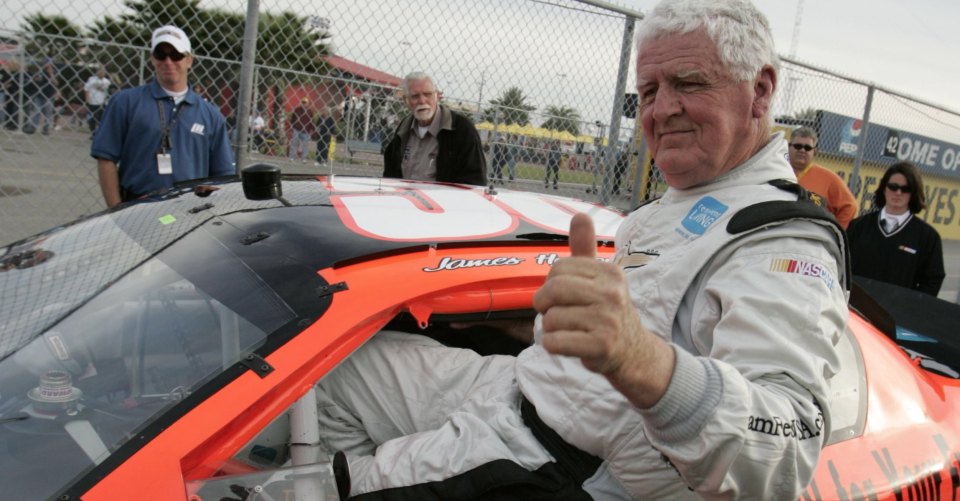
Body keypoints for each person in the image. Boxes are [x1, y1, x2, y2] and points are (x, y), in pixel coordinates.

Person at [314, 0, 849, 499]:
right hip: (514, 387)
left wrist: (639, 359)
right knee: (328, 373)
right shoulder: (665, 207)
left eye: (688, 83)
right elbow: (605, 334)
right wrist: (519, 324)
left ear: (759, 91)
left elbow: (788, 451)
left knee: (316, 489)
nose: (661, 110)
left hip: (558, 457)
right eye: (647, 91)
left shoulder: (782, 239)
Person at [90, 25, 235, 208]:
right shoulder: (125, 102)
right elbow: (106, 158)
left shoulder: (210, 114)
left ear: (189, 60)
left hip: (189, 211)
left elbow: (223, 175)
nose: (168, 61)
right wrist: (115, 209)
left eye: (176, 55)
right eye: (161, 55)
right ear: (152, 59)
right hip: (136, 208)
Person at [847, 161, 945, 296]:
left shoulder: (928, 237)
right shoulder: (858, 226)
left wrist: (909, 306)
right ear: (884, 188)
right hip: (855, 309)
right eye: (893, 186)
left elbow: (932, 280)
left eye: (906, 189)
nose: (898, 192)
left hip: (898, 312)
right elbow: (841, 266)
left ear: (914, 193)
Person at [382, 72, 486, 185]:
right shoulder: (403, 130)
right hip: (406, 200)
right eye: (415, 96)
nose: (422, 101)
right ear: (406, 100)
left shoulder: (461, 129)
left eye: (427, 94)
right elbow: (390, 176)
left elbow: (475, 181)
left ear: (437, 96)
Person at [787, 126, 857, 228]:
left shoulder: (829, 178)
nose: (802, 150)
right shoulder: (777, 170)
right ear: (789, 147)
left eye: (807, 148)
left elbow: (850, 206)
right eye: (797, 146)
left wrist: (834, 232)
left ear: (814, 152)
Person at [26, 60, 58, 135]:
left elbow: (56, 82)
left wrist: (51, 73)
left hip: (49, 95)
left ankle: (46, 129)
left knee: (48, 113)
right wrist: (36, 79)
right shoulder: (41, 71)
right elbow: (36, 79)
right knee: (36, 111)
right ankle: (32, 128)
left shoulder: (55, 72)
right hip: (40, 94)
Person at [84, 67, 111, 136]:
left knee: (101, 118)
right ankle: (93, 133)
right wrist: (87, 98)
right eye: (100, 72)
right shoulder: (92, 79)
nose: (102, 74)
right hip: (93, 102)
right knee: (92, 118)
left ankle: (100, 132)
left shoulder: (107, 81)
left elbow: (107, 91)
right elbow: (86, 88)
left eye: (103, 72)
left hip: (102, 102)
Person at [289, 98, 314, 163]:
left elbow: (311, 121)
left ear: (307, 103)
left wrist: (311, 129)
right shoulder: (297, 110)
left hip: (305, 130)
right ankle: (292, 157)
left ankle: (303, 158)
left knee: (304, 145)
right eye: (303, 102)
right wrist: (292, 127)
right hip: (297, 128)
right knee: (294, 143)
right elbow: (293, 118)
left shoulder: (310, 112)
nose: (303, 104)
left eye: (305, 102)